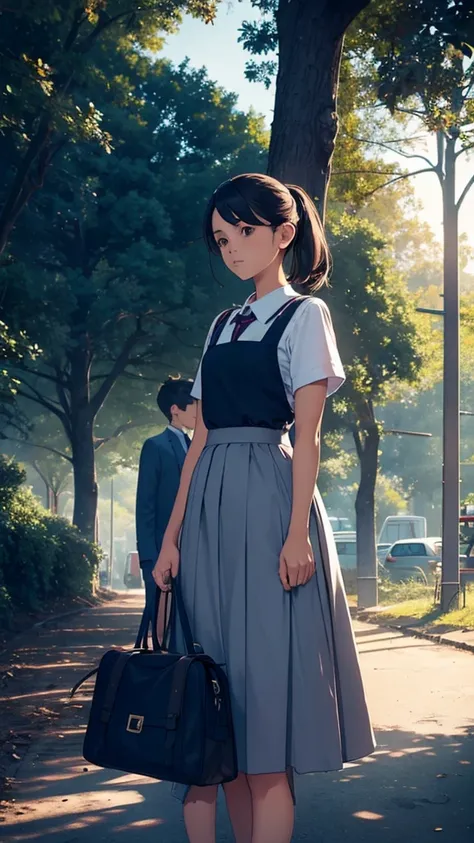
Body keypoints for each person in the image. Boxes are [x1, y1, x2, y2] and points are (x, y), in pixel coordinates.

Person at [153, 173, 375, 843]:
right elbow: (198, 439)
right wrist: (170, 539)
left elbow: (306, 436)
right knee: (222, 712)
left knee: (266, 721)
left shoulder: (305, 315)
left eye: (243, 231)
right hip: (209, 515)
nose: (232, 247)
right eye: (222, 238)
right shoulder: (221, 325)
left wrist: (296, 534)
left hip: (270, 503)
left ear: (283, 234)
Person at [135, 376, 196, 642]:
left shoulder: (199, 447)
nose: (199, 410)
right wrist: (149, 557)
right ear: (175, 409)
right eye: (193, 404)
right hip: (161, 551)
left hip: (193, 550)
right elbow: (145, 506)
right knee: (161, 624)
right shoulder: (155, 446)